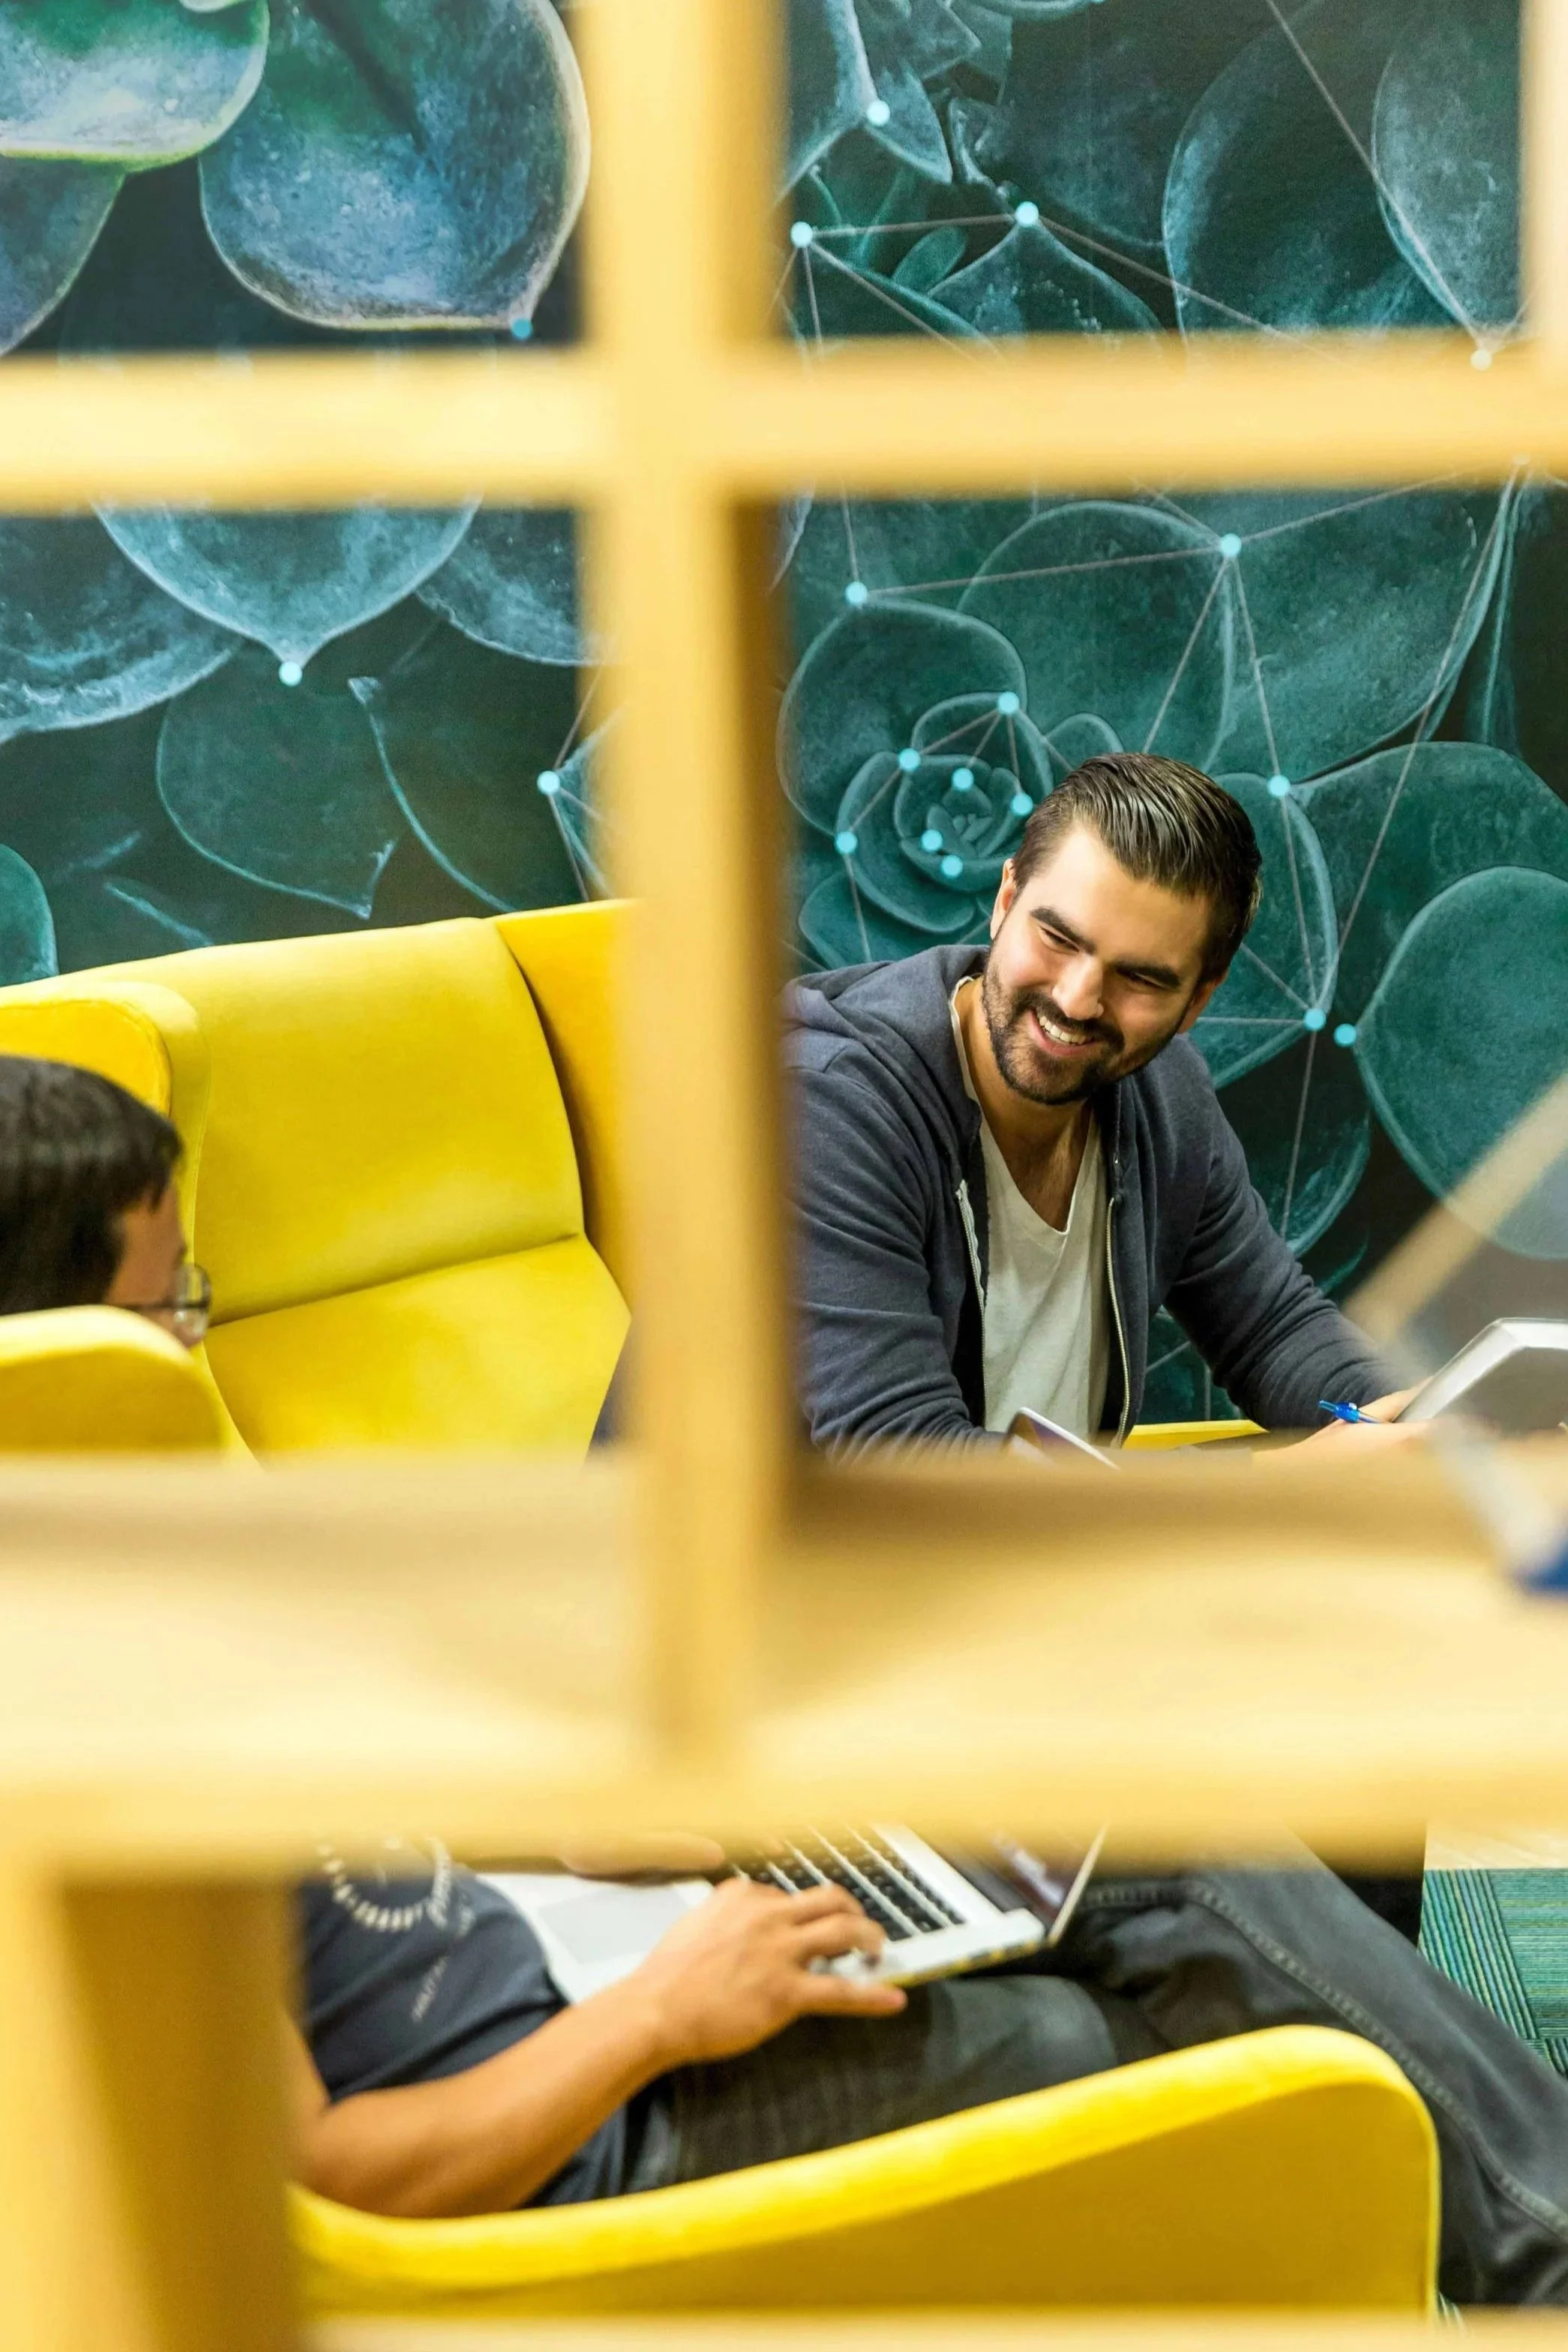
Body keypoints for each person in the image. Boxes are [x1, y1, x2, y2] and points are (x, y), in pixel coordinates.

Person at [11, 1063, 1568, 2302]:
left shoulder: (122, 1581)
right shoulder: (70, 1707)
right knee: (1156, 2002)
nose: (194, 1339)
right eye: (168, 1308)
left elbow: (350, 1849)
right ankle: (1532, 2234)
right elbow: (334, 2178)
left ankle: (1509, 2213)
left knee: (1099, 1836)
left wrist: (634, 1820)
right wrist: (658, 2017)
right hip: (584, 2141)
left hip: (590, 1994)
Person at [784, 752, 1411, 1452]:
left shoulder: (1163, 1096)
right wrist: (1271, 1490)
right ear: (1004, 900)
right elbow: (897, 1455)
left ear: (1198, 999)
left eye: (1140, 978)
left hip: (1036, 1549)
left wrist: (1419, 1423)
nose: (1075, 999)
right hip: (789, 1554)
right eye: (1057, 938)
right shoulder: (827, 1108)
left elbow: (1273, 1330)